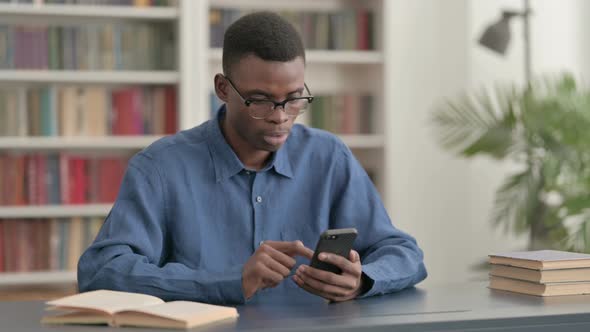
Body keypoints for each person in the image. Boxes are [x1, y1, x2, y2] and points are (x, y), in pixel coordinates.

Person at [78, 11, 427, 305]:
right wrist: (229, 281)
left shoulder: (328, 157)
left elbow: (403, 252)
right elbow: (101, 270)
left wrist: (362, 280)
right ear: (223, 89)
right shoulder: (161, 167)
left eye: (294, 98)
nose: (281, 116)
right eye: (260, 100)